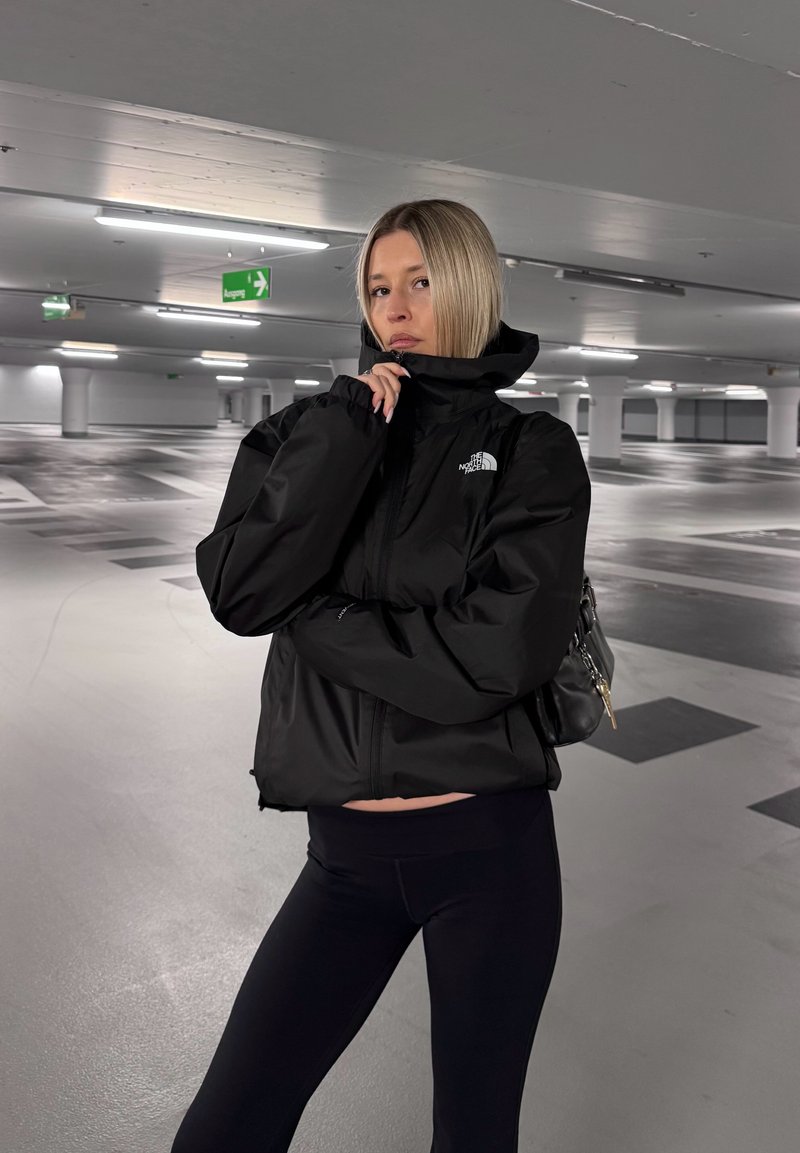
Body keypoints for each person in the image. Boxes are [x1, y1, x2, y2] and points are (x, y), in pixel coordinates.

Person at [172, 198, 592, 1152]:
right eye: (377, 287)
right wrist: (347, 435)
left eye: (420, 281)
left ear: (471, 286)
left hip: (491, 855)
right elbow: (239, 590)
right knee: (226, 1127)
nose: (395, 306)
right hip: (344, 864)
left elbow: (495, 656)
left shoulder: (532, 452)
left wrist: (313, 612)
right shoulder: (305, 433)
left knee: (473, 1137)